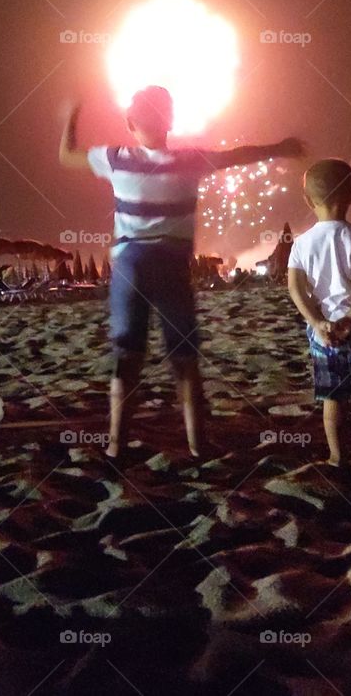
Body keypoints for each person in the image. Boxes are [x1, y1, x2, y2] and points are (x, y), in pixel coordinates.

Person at [59, 86, 304, 459]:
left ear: (129, 122)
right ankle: (197, 444)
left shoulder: (115, 158)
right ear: (171, 120)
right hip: (172, 264)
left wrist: (71, 118)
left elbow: (66, 156)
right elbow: (238, 156)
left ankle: (115, 445)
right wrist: (279, 147)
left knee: (127, 355)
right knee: (184, 358)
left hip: (131, 264)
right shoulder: (192, 161)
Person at [287, 159, 351, 471]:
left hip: (325, 333)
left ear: (308, 200)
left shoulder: (302, 243)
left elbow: (295, 288)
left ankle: (337, 456)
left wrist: (316, 321)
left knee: (332, 397)